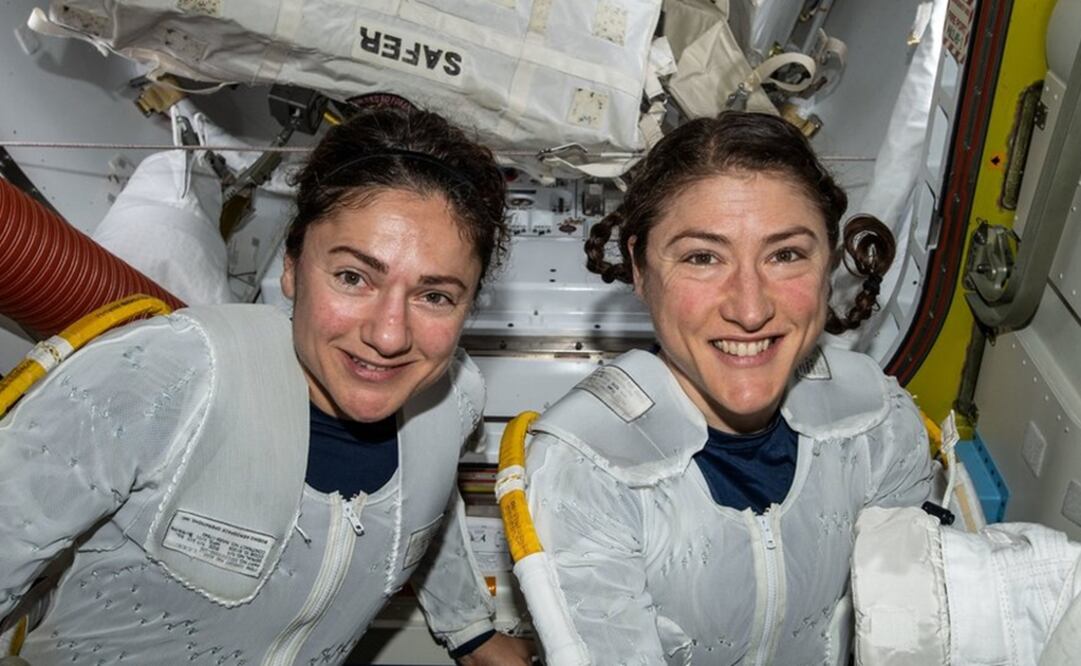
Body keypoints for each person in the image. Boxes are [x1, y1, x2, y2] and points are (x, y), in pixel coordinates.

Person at [0, 106, 532, 665]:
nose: (388, 335)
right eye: (353, 277)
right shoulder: (161, 375)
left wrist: (470, 630)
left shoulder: (454, 399)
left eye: (435, 296)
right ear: (292, 267)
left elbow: (425, 506)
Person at [519, 111, 934, 664]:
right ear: (640, 270)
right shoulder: (586, 468)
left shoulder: (877, 422)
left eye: (785, 255)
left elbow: (909, 624)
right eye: (702, 257)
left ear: (829, 266)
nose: (750, 308)